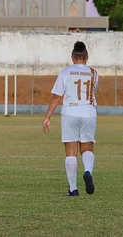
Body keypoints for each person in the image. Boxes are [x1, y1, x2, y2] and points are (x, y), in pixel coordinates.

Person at [43, 41, 98, 196]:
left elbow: (56, 96)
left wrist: (47, 117)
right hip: (88, 111)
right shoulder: (94, 73)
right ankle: (88, 171)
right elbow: (93, 92)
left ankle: (73, 189)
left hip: (70, 112)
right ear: (87, 57)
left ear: (72, 57)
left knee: (71, 152)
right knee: (87, 147)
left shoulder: (66, 72)